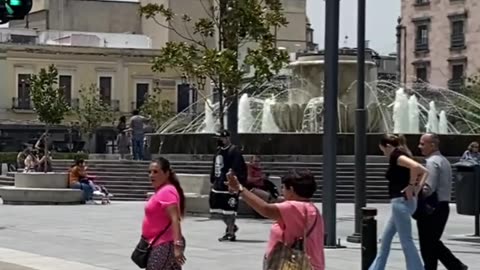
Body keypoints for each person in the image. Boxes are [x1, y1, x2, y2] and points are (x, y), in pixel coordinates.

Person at [225, 169, 325, 270]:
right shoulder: (312, 209)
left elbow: (265, 209)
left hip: (291, 264)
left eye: (283, 188)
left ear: (291, 189)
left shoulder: (293, 207)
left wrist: (240, 189)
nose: (282, 191)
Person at [369, 134, 428, 270]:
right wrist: (416, 190)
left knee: (406, 241)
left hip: (400, 202)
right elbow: (424, 171)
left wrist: (412, 185)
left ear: (388, 146)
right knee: (385, 239)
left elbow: (416, 167)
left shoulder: (397, 156)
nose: (383, 153)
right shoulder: (402, 154)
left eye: (383, 150)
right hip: (405, 202)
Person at [417, 133, 468, 270]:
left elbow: (428, 188)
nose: (419, 146)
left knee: (428, 243)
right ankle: (453, 266)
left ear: (432, 145)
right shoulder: (443, 160)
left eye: (423, 143)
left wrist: (414, 190)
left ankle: (456, 266)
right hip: (442, 206)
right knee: (431, 242)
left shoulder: (432, 162)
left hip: (432, 207)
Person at [141, 157, 186, 270]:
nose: (151, 175)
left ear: (166, 174)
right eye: (149, 172)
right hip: (159, 242)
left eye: (156, 172)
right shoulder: (162, 191)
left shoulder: (167, 191)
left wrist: (177, 246)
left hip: (165, 244)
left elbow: (175, 219)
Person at [209, 130, 247, 241]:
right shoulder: (218, 151)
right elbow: (214, 166)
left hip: (229, 186)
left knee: (230, 210)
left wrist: (234, 183)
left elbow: (237, 168)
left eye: (220, 138)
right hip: (218, 185)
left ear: (227, 138)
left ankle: (230, 232)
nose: (218, 141)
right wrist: (212, 179)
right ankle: (232, 227)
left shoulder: (234, 151)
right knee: (215, 210)